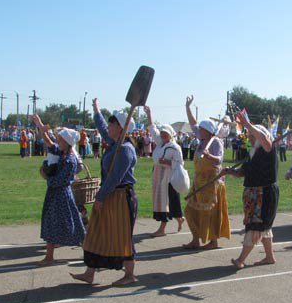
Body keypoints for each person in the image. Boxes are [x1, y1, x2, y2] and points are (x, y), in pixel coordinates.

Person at [71, 98, 139, 285]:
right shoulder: (114, 143)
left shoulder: (125, 150)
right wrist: (96, 110)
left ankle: (129, 274)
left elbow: (115, 178)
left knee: (123, 236)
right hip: (109, 195)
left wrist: (99, 197)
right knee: (97, 231)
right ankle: (89, 273)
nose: (108, 126)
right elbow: (101, 128)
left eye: (112, 123)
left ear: (120, 127)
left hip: (121, 197)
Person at [222, 112, 278, 269]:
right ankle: (269, 257)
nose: (251, 138)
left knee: (256, 226)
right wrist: (230, 171)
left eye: (253, 136)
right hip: (253, 193)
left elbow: (264, 139)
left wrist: (247, 124)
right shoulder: (252, 152)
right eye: (250, 136)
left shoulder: (269, 149)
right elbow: (243, 172)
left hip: (264, 193)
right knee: (263, 226)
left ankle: (241, 259)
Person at [33, 115, 86, 265]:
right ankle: (49, 257)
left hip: (62, 195)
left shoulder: (70, 160)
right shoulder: (61, 152)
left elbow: (59, 181)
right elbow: (48, 142)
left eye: (61, 139)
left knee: (73, 225)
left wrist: (46, 176)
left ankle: (90, 251)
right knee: (51, 223)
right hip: (54, 194)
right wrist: (40, 125)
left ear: (67, 142)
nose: (58, 141)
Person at [183, 95, 231, 249]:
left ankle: (213, 241)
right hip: (198, 182)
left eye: (202, 129)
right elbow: (193, 124)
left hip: (211, 183)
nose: (199, 131)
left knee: (209, 213)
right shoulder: (202, 139)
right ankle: (195, 239)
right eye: (200, 129)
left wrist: (209, 155)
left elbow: (219, 160)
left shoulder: (216, 142)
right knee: (190, 211)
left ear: (208, 131)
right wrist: (188, 107)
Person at [144, 106, 185, 237]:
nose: (162, 135)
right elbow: (152, 128)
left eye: (165, 133)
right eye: (162, 133)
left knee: (165, 202)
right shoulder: (160, 142)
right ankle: (179, 218)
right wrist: (149, 114)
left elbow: (180, 164)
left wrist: (167, 162)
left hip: (168, 178)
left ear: (170, 134)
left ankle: (162, 229)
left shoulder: (175, 147)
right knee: (165, 201)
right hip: (158, 176)